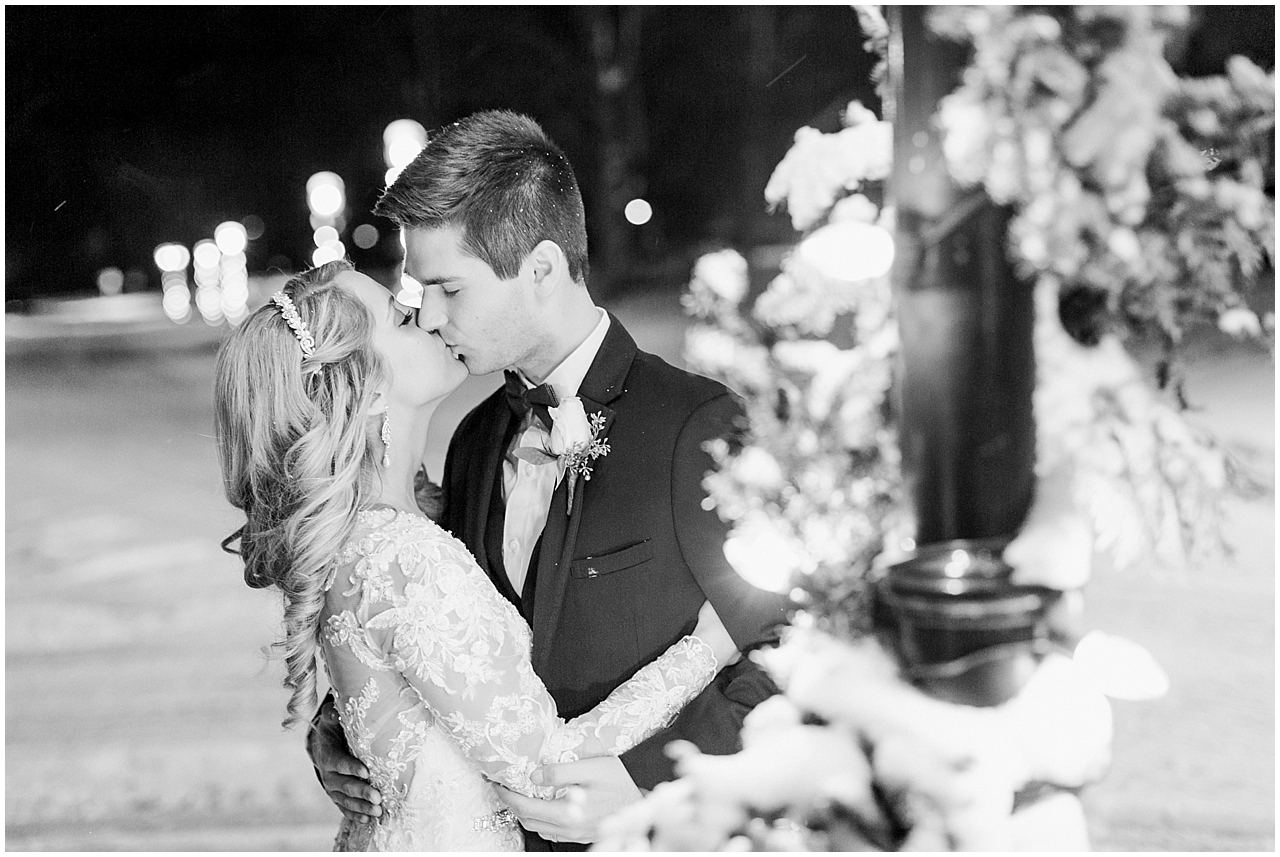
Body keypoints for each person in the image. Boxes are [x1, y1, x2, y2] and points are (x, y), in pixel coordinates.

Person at [309, 110, 790, 850]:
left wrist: (656, 777)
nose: (430, 316)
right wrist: (350, 723)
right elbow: (429, 639)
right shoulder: (470, 440)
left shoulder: (696, 425)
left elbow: (793, 648)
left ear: (538, 270)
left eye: (449, 288)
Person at [215, 259, 745, 850]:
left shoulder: (393, 523)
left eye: (446, 287)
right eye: (401, 315)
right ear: (362, 387)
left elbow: (404, 684)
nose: (428, 315)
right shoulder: (412, 542)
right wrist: (707, 648)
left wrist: (353, 725)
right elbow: (544, 770)